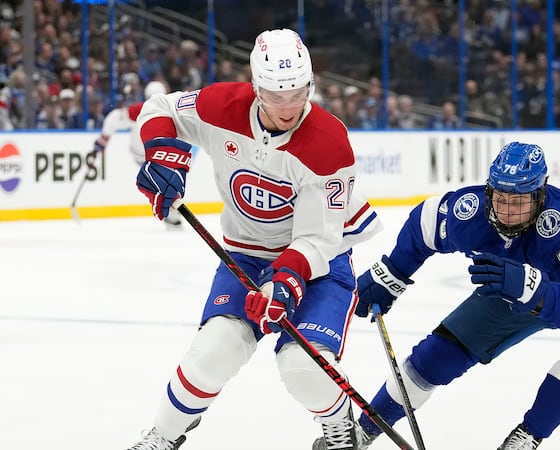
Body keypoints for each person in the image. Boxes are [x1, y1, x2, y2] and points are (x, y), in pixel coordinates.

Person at [125, 28, 382, 450]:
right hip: (244, 254)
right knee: (214, 351)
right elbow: (159, 108)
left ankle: (339, 427)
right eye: (276, 95)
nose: (288, 107)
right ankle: (162, 437)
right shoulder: (222, 105)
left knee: (302, 365)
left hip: (318, 263)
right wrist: (160, 154)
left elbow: (319, 238)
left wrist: (284, 282)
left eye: (297, 93)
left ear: (310, 84)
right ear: (256, 85)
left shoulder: (329, 143)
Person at [342, 142, 560, 449]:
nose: (508, 210)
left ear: (540, 195)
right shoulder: (471, 211)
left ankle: (528, 435)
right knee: (438, 356)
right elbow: (425, 222)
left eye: (520, 201)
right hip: (513, 279)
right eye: (501, 198)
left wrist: (531, 288)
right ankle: (365, 429)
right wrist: (392, 274)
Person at [91, 79, 187, 229]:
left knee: (163, 182)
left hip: (146, 155)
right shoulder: (164, 109)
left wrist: (104, 138)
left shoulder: (142, 109)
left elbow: (114, 118)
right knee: (165, 182)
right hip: (154, 155)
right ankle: (169, 210)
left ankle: (169, 208)